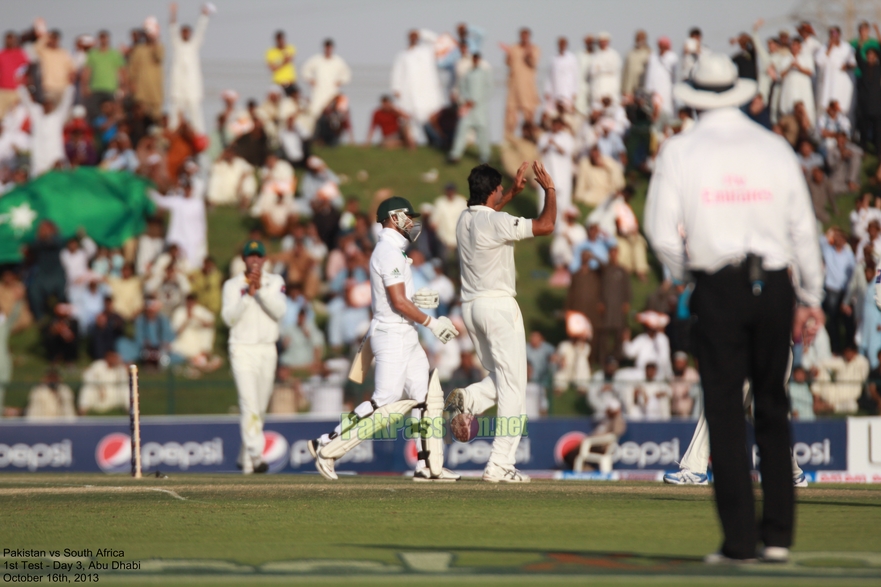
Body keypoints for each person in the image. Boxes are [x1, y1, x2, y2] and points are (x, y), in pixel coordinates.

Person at [644, 53, 824, 564]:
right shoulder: (773, 146)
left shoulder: (680, 149)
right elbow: (803, 229)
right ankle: (778, 539)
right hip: (774, 283)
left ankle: (740, 541)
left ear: (695, 96)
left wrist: (686, 273)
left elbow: (660, 232)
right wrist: (811, 297)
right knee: (771, 406)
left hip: (718, 284)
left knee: (724, 411)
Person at [310, 196, 460, 481]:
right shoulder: (388, 251)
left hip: (404, 333)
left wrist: (416, 298)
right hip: (392, 334)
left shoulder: (394, 250)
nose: (412, 223)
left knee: (425, 398)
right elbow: (398, 303)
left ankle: (428, 465)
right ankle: (327, 444)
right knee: (385, 401)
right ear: (393, 217)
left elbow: (399, 298)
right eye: (407, 217)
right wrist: (431, 321)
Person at [445, 160, 556, 483]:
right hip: (498, 307)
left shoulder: (463, 219)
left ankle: (470, 399)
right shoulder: (497, 222)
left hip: (471, 308)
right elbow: (547, 225)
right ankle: (499, 464)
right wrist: (549, 189)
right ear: (493, 191)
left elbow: (488, 216)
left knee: (502, 378)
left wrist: (509, 194)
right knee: (513, 387)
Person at [221, 240, 286, 474]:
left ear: (265, 259)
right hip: (241, 349)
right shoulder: (231, 285)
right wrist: (248, 295)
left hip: (267, 348)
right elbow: (228, 319)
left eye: (259, 256)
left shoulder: (275, 281)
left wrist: (259, 292)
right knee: (248, 403)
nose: (255, 260)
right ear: (244, 259)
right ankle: (256, 457)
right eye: (251, 256)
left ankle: (245, 458)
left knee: (259, 406)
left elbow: (279, 311)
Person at [391, 30, 444, 132]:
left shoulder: (426, 51)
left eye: (415, 36)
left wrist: (422, 33)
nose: (413, 38)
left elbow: (436, 40)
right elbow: (397, 72)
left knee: (432, 117)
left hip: (428, 91)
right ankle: (412, 142)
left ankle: (436, 141)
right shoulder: (403, 55)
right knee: (409, 117)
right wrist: (396, 87)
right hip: (409, 91)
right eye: (411, 36)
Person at [169, 2, 210, 133]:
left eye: (187, 32)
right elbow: (172, 28)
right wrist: (173, 12)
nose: (185, 34)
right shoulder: (177, 44)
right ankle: (172, 137)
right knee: (175, 115)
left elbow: (201, 30)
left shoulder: (194, 45)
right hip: (178, 87)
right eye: (183, 32)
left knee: (196, 115)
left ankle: (200, 137)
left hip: (192, 87)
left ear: (190, 33)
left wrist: (204, 16)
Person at [449, 53, 492, 164]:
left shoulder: (485, 73)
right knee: (462, 130)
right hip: (468, 108)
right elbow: (462, 88)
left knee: (483, 133)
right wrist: (467, 100)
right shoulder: (467, 73)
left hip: (480, 108)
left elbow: (489, 89)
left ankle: (485, 156)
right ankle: (455, 155)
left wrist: (476, 100)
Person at [301, 39, 351, 134]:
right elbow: (305, 69)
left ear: (332, 48)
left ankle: (331, 136)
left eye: (329, 47)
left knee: (333, 116)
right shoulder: (316, 60)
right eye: (326, 47)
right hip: (319, 92)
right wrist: (310, 79)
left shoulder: (338, 61)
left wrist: (340, 81)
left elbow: (347, 74)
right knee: (314, 113)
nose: (328, 49)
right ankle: (312, 135)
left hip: (332, 93)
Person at [501, 28, 540, 137]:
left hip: (527, 88)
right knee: (510, 116)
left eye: (526, 36)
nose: (524, 38)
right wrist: (508, 53)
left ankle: (530, 139)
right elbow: (508, 63)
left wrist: (528, 53)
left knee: (529, 116)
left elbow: (533, 63)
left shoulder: (534, 48)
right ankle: (509, 140)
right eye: (522, 35)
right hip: (514, 88)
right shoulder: (513, 48)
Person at [537, 117, 573, 229]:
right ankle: (544, 222)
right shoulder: (544, 136)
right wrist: (548, 144)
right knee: (545, 196)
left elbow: (566, 151)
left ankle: (561, 225)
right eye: (554, 124)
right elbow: (540, 151)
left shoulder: (567, 138)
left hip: (562, 174)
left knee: (562, 199)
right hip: (549, 171)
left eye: (559, 125)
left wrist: (555, 144)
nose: (556, 127)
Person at [81, 30, 125, 119]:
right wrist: (85, 87)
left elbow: (122, 71)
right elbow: (87, 71)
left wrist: (123, 86)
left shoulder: (115, 54)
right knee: (94, 113)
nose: (103, 40)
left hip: (111, 88)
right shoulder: (93, 54)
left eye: (105, 38)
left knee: (114, 112)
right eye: (101, 38)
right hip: (95, 88)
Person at [127, 21, 164, 119]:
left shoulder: (159, 47)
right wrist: (131, 84)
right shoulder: (139, 49)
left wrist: (155, 39)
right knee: (141, 116)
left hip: (155, 91)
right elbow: (132, 69)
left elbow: (159, 56)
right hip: (141, 91)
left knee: (156, 118)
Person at [816, 27, 856, 114]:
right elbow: (819, 62)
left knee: (843, 107)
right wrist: (829, 48)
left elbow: (853, 63)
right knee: (826, 106)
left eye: (835, 34)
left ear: (839, 35)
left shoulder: (847, 47)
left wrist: (847, 66)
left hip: (842, 83)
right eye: (831, 34)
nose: (833, 37)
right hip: (828, 83)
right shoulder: (824, 47)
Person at [0, 287, 23, 415]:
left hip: (3, 362)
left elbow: (13, 317)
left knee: (2, 389)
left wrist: (19, 301)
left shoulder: (4, 325)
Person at [544, 37, 578, 112]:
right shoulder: (553, 59)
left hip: (568, 91)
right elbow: (549, 76)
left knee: (568, 112)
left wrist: (574, 91)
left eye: (563, 44)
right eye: (560, 44)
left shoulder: (571, 58)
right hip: (555, 91)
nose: (562, 46)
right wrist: (547, 90)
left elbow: (575, 76)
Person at [588, 31, 622, 107]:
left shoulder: (614, 54)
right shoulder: (595, 55)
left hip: (610, 87)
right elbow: (592, 71)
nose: (603, 43)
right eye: (601, 42)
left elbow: (614, 69)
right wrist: (604, 69)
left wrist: (600, 68)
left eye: (605, 41)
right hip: (598, 87)